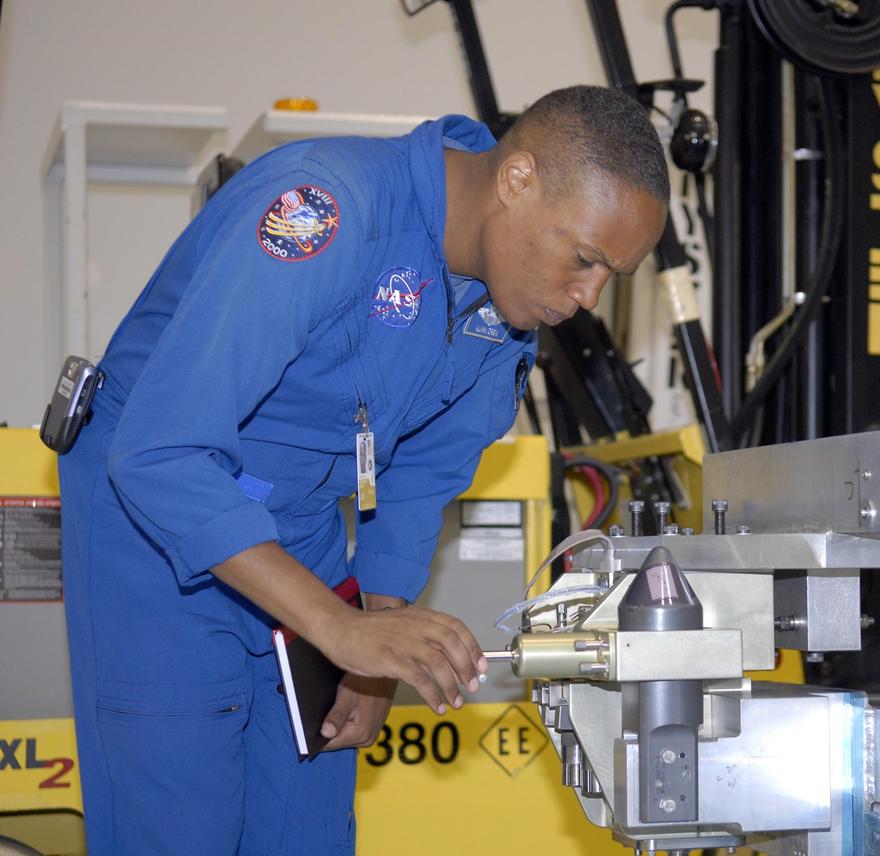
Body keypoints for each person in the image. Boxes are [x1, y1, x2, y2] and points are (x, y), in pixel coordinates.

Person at [57, 84, 668, 855]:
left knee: (303, 825)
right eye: (583, 259)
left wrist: (378, 643)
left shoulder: (499, 308)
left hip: (302, 529)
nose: (587, 298)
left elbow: (420, 481)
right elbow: (160, 451)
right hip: (155, 522)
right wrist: (338, 628)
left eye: (612, 275)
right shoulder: (328, 210)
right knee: (182, 825)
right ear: (517, 180)